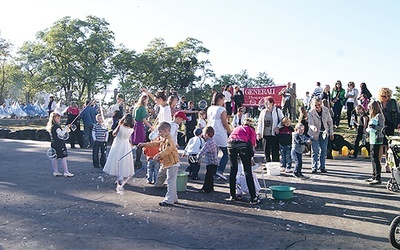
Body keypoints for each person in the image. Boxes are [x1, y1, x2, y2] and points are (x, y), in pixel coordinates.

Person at [138, 122, 180, 206]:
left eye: (160, 132)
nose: (159, 134)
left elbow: (168, 150)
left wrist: (159, 155)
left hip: (172, 163)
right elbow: (155, 143)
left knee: (170, 182)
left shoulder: (170, 140)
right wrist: (144, 144)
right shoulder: (164, 139)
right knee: (170, 181)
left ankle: (169, 200)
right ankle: (174, 198)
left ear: (166, 130)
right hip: (167, 163)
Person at [227, 118, 259, 203]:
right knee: (247, 171)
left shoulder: (237, 128)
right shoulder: (251, 130)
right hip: (242, 145)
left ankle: (232, 195)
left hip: (230, 144)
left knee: (233, 170)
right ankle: (253, 197)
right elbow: (251, 143)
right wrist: (251, 157)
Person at [103, 114, 135, 189]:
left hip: (118, 143)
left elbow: (114, 133)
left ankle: (119, 176)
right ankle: (122, 176)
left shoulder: (120, 127)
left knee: (116, 158)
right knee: (124, 160)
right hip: (126, 144)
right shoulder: (131, 129)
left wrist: (118, 125)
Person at [207, 92, 232, 180]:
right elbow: (224, 123)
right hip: (220, 132)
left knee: (214, 153)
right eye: (223, 100)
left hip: (211, 131)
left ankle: (213, 171)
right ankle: (220, 170)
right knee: (226, 153)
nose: (224, 101)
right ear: (219, 100)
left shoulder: (210, 108)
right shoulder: (222, 109)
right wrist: (230, 132)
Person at [308, 98, 334, 173]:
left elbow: (330, 122)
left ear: (321, 104)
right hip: (314, 132)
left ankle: (322, 167)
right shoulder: (311, 112)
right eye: (315, 105)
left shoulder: (326, 110)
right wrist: (314, 128)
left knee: (323, 150)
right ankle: (314, 167)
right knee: (315, 150)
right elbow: (310, 124)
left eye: (319, 105)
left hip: (324, 132)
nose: (317, 107)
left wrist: (331, 133)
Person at [377, 87, 400, 172]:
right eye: (383, 96)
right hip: (381, 125)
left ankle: (387, 164)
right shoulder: (378, 103)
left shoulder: (393, 102)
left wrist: (398, 123)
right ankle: (378, 164)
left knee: (388, 145)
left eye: (387, 96)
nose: (386, 97)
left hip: (390, 124)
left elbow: (398, 113)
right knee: (380, 144)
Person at [256, 96, 283, 163]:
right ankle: (268, 163)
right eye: (265, 104)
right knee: (266, 150)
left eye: (268, 103)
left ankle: (275, 164)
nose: (266, 105)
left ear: (272, 103)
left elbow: (282, 120)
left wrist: (278, 127)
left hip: (274, 134)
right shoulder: (263, 112)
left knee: (275, 150)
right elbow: (260, 122)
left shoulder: (277, 111)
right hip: (265, 133)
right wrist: (258, 133)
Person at [46, 112, 74, 177]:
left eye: (59, 118)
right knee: (63, 157)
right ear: (54, 119)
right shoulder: (57, 127)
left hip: (54, 143)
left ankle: (55, 171)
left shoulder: (52, 126)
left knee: (54, 157)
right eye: (58, 118)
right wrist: (66, 128)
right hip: (60, 144)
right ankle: (66, 172)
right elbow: (61, 134)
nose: (59, 119)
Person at [365, 101, 385, 185]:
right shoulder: (373, 116)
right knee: (372, 158)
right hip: (372, 138)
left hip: (377, 139)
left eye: (370, 108)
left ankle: (378, 177)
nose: (369, 109)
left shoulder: (379, 116)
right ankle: (374, 176)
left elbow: (382, 127)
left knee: (376, 158)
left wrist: (374, 127)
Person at [131, 94, 153, 168]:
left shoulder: (136, 107)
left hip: (135, 125)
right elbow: (144, 119)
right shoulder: (143, 108)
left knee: (137, 144)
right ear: (144, 100)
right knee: (140, 144)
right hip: (140, 125)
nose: (147, 102)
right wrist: (150, 126)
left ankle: (136, 160)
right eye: (147, 100)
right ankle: (137, 161)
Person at [197, 126, 219, 193]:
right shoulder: (213, 141)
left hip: (210, 162)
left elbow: (202, 152)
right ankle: (211, 187)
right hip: (215, 161)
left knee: (208, 176)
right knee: (211, 175)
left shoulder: (208, 143)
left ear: (206, 134)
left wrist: (198, 157)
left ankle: (206, 188)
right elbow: (217, 149)